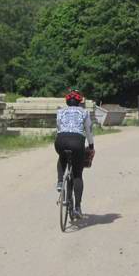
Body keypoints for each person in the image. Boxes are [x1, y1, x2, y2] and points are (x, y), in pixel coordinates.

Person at [55, 89, 94, 219]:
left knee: (62, 158)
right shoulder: (85, 112)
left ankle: (60, 182)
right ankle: (77, 208)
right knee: (77, 174)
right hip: (77, 142)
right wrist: (91, 146)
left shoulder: (60, 111)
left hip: (61, 140)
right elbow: (88, 130)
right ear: (79, 102)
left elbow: (59, 127)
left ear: (67, 101)